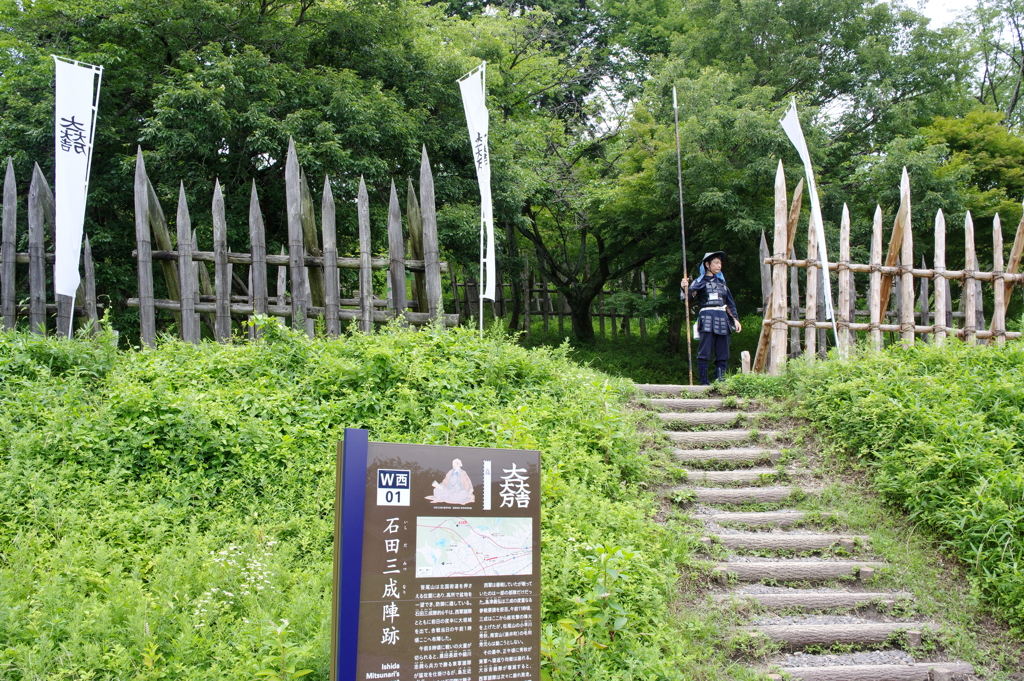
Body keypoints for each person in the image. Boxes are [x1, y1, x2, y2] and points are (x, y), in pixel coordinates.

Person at [680, 251, 741, 385]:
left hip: (722, 318)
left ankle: (720, 381)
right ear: (707, 264)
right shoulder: (699, 282)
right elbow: (687, 299)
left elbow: (729, 304)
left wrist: (735, 319)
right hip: (707, 318)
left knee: (723, 352)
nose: (719, 265)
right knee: (704, 352)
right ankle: (704, 382)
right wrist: (684, 288)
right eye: (716, 262)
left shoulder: (722, 284)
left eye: (720, 263)